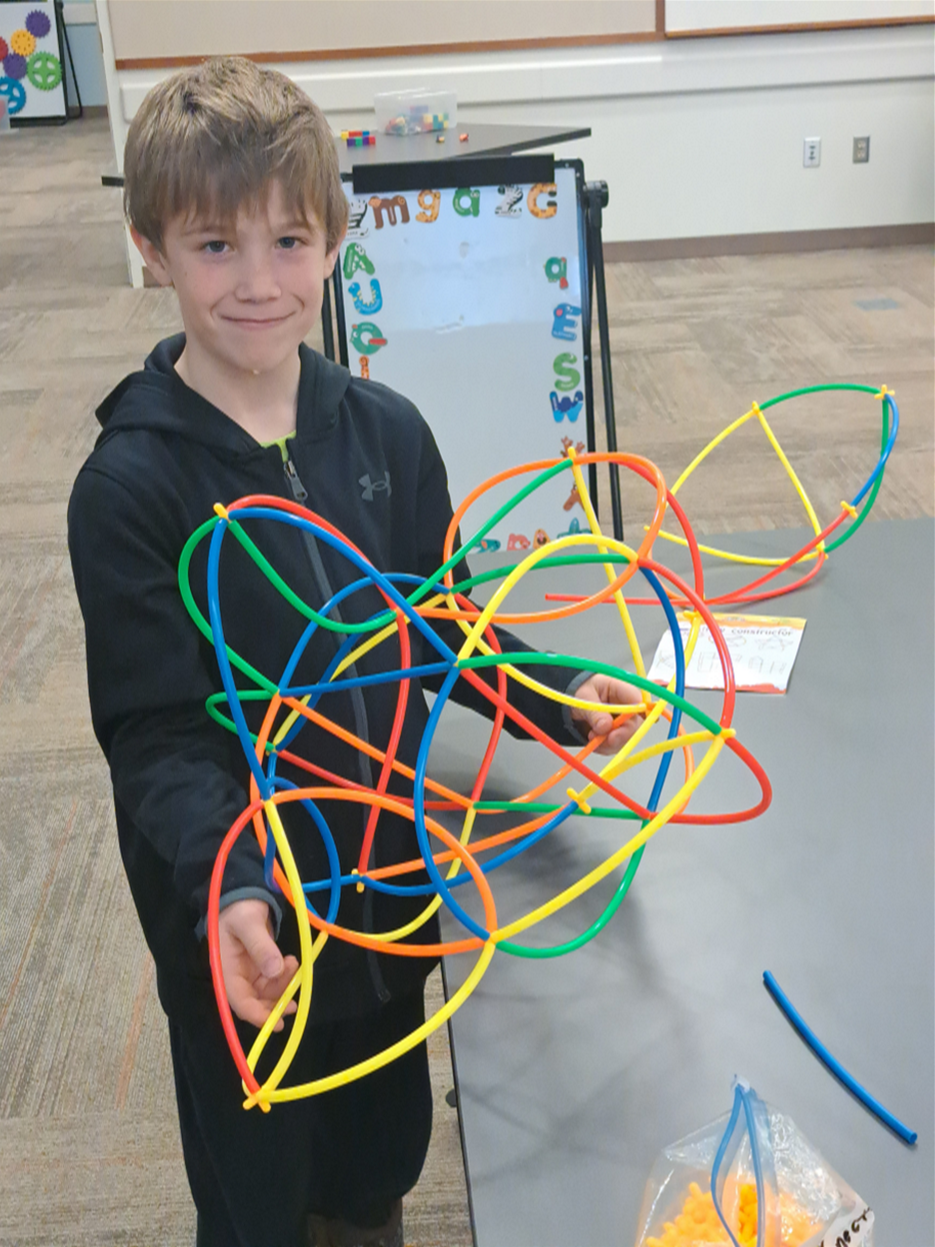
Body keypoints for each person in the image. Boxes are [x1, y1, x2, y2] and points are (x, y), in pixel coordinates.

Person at [67, 57, 642, 1247]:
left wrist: (552, 693)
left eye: (288, 240)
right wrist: (228, 887)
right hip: (248, 911)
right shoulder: (130, 483)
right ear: (151, 248)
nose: (259, 282)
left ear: (334, 238)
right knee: (258, 1182)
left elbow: (438, 632)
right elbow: (159, 736)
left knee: (376, 1150)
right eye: (214, 246)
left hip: (386, 877)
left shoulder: (383, 428)